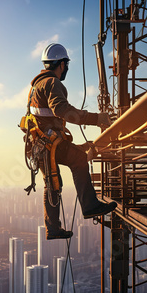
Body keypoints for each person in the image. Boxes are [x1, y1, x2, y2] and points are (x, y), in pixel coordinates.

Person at [27, 43, 117, 240]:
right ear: (61, 64)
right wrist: (97, 118)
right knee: (78, 160)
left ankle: (53, 228)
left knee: (52, 183)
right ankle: (90, 206)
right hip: (48, 144)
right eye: (65, 64)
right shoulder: (52, 83)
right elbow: (62, 111)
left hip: (39, 146)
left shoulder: (36, 86)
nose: (66, 68)